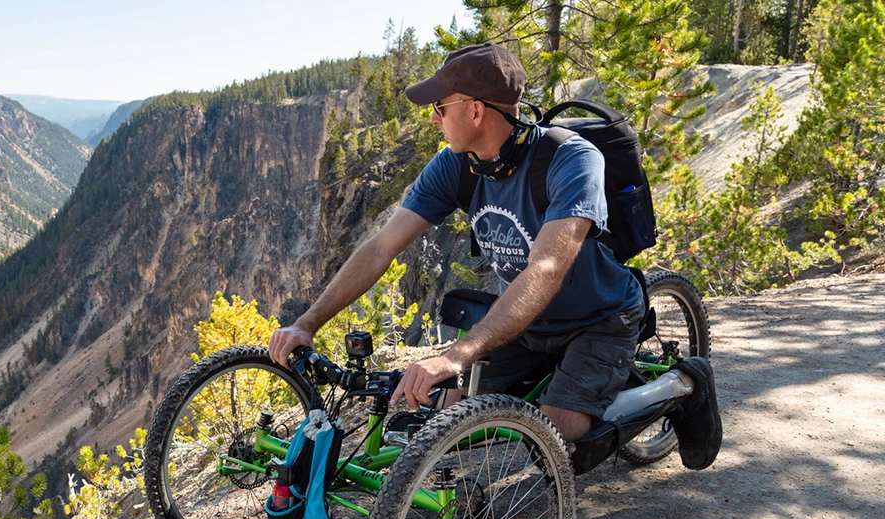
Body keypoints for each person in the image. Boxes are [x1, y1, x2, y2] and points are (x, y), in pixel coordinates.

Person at [268, 42, 646, 442]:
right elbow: (382, 247)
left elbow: (546, 269)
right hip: (525, 324)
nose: (433, 119)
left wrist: (454, 355)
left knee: (556, 434)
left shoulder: (571, 159)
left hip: (598, 318)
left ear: (476, 110)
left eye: (440, 108)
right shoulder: (455, 165)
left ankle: (681, 386)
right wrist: (306, 323)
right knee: (445, 407)